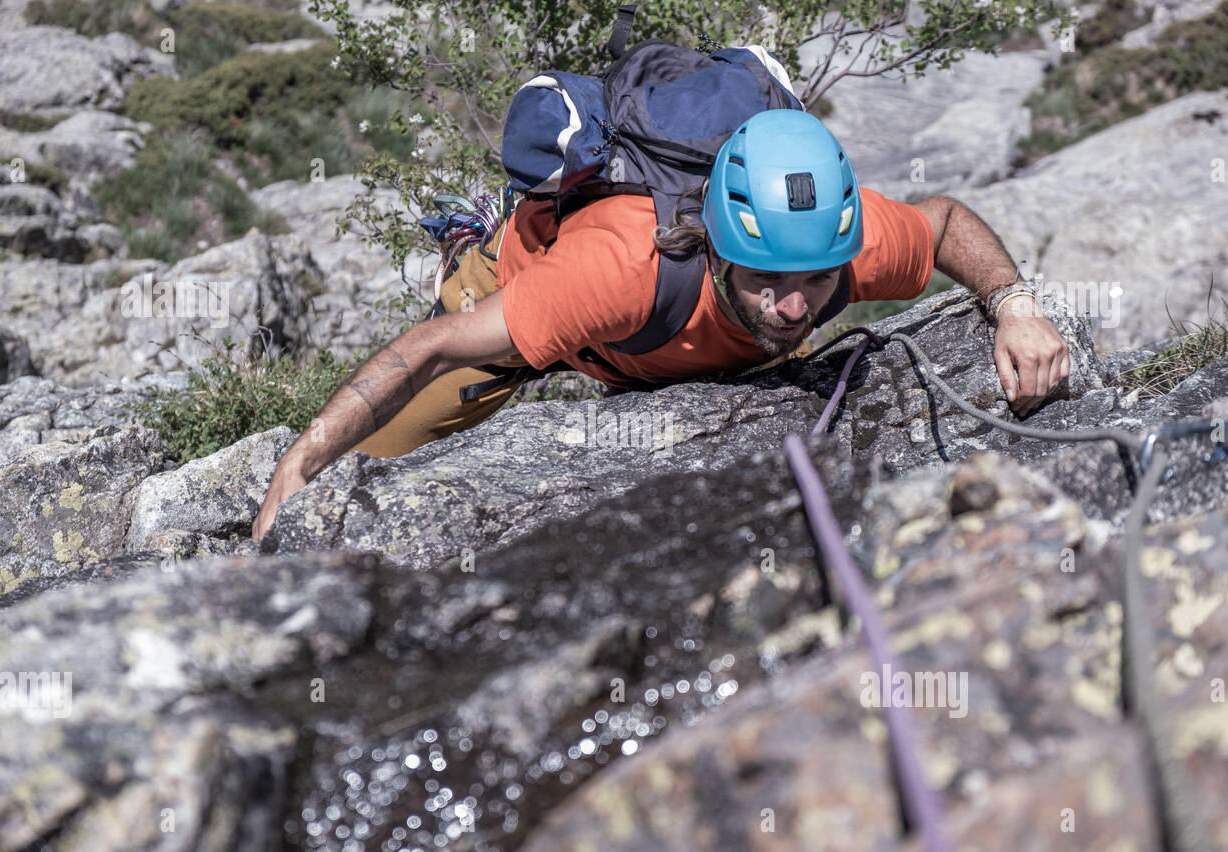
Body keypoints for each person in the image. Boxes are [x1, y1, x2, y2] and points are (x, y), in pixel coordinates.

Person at [252, 109, 1069, 540]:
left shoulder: (842, 249)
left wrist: (1015, 306)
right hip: (542, 291)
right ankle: (482, 247)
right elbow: (427, 351)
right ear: (717, 247)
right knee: (364, 473)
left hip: (653, 337)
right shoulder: (617, 272)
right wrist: (305, 459)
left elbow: (948, 221)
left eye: (815, 284)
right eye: (767, 285)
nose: (794, 308)